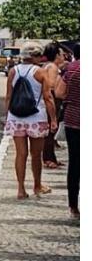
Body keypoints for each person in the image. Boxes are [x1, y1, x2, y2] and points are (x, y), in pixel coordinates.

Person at [3, 41, 57, 199]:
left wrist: (7, 116)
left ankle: (20, 189)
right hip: (36, 117)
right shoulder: (40, 72)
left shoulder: (13, 71)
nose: (42, 58)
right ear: (35, 56)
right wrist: (53, 118)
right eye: (40, 55)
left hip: (16, 117)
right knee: (36, 154)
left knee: (20, 154)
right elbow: (47, 97)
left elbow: (8, 96)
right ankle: (37, 186)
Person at [55, 43, 79, 218]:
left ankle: (73, 206)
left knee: (75, 163)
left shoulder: (70, 69)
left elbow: (59, 93)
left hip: (73, 120)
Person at [41, 42, 66, 169]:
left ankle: (51, 157)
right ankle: (48, 158)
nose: (64, 56)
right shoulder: (52, 68)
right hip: (53, 100)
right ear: (57, 55)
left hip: (51, 100)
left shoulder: (49, 66)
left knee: (51, 131)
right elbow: (50, 86)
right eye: (62, 54)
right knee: (51, 129)